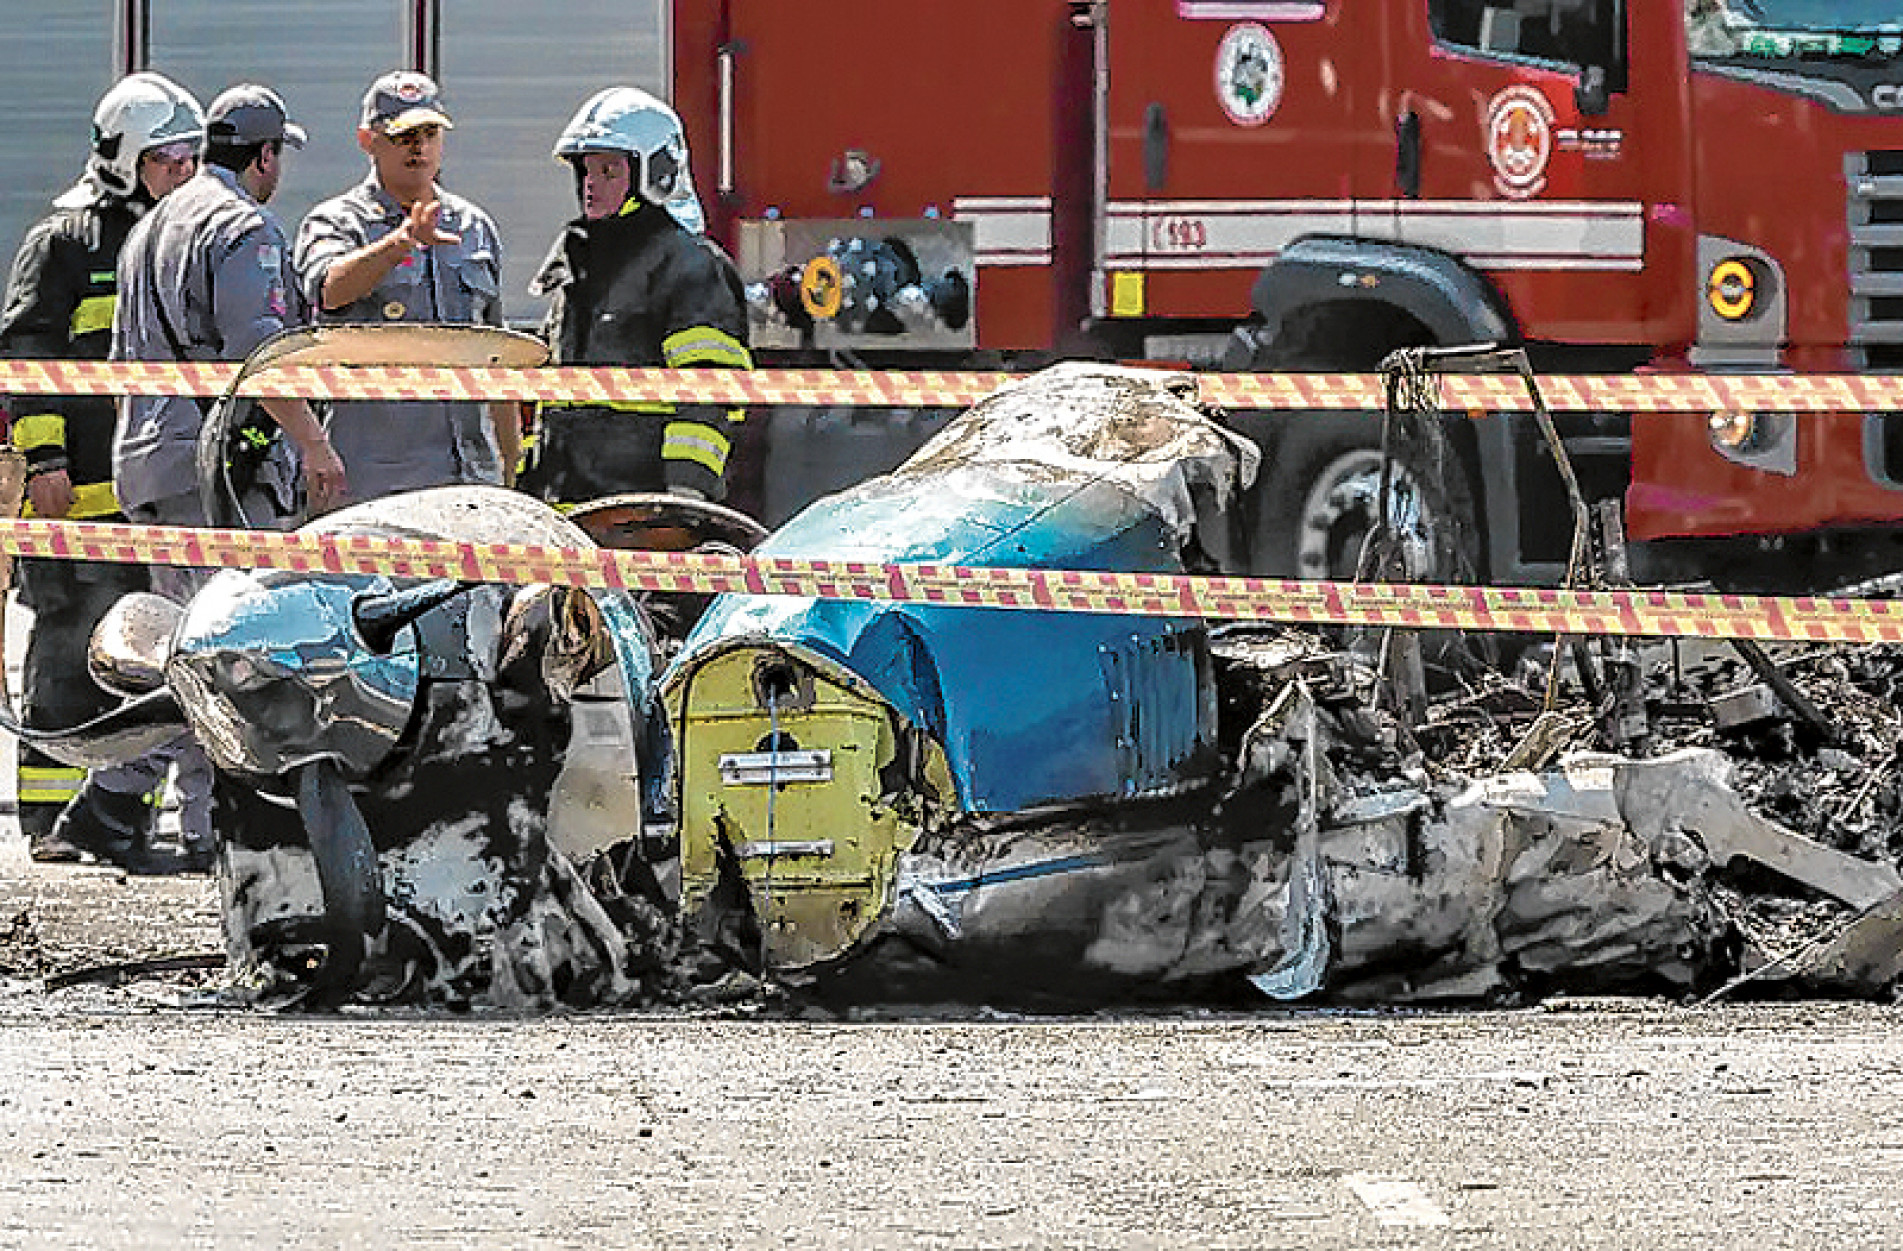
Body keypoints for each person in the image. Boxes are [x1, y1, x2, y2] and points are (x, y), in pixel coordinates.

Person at [111, 83, 345, 859]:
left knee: (181, 649)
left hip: (149, 462)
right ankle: (209, 824)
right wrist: (312, 443)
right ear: (265, 155)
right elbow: (258, 353)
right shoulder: (243, 227)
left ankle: (125, 806)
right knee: (234, 653)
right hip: (216, 474)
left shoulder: (150, 225)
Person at [0, 72, 205, 868]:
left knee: (144, 654)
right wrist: (44, 457)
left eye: (188, 159)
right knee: (67, 648)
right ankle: (51, 819)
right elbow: (26, 353)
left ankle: (123, 817)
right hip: (74, 492)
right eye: (164, 159)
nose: (180, 172)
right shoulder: (64, 240)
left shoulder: (180, 234)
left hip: (146, 496)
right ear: (122, 158)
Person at [294, 70, 517, 503]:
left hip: (470, 476)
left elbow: (496, 351)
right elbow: (327, 289)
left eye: (430, 134)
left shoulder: (474, 227)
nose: (419, 148)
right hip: (378, 483)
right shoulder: (336, 223)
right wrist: (401, 243)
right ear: (367, 140)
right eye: (403, 136)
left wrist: (509, 459)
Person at [522, 86, 752, 506]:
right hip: (565, 508)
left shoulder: (689, 267)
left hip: (642, 509)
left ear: (655, 174)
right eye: (586, 171)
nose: (591, 185)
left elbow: (709, 392)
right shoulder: (578, 265)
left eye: (609, 171)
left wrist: (684, 496)